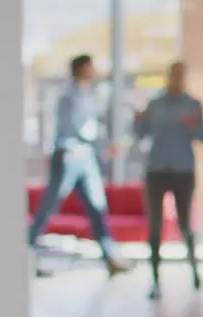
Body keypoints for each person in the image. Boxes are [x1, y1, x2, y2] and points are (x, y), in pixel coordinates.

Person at [28, 54, 134, 278]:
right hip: (70, 155)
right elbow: (75, 128)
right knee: (49, 207)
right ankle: (25, 254)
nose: (94, 70)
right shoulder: (69, 95)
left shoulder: (88, 94)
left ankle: (110, 256)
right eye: (91, 67)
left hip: (86, 156)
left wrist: (102, 146)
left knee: (97, 207)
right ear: (82, 68)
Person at [134, 61, 203, 300]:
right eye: (173, 74)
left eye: (180, 75)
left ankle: (195, 271)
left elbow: (201, 137)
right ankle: (155, 280)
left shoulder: (193, 105)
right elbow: (141, 134)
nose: (176, 78)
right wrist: (139, 119)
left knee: (185, 223)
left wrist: (193, 127)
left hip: (182, 169)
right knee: (155, 226)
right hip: (157, 169)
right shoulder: (156, 104)